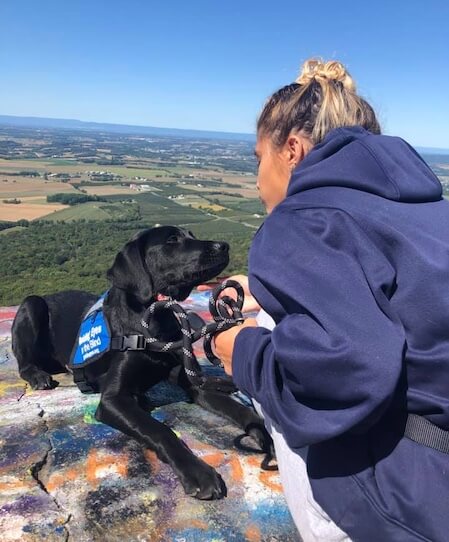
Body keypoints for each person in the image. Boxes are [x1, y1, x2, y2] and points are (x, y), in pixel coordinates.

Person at [213, 59, 449, 541]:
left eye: (259, 157)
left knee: (267, 335)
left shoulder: (300, 219)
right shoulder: (427, 207)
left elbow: (350, 371)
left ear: (292, 151)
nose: (258, 179)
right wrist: (271, 286)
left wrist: (242, 353)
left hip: (408, 496)